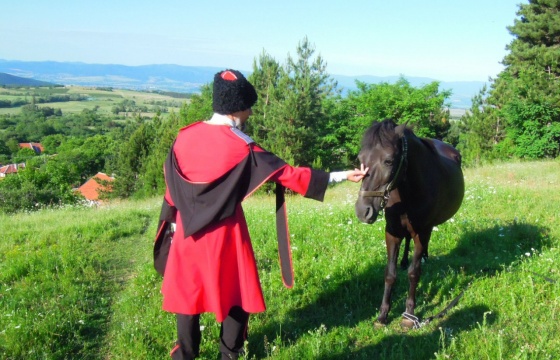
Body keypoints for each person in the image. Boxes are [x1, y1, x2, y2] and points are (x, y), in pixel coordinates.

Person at [156, 69, 367, 359]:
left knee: (188, 296)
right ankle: (229, 354)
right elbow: (293, 176)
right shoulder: (243, 147)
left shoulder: (183, 138)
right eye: (249, 107)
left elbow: (171, 191)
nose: (251, 113)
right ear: (237, 108)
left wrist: (171, 230)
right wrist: (342, 175)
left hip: (185, 234)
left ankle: (184, 354)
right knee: (235, 294)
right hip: (226, 237)